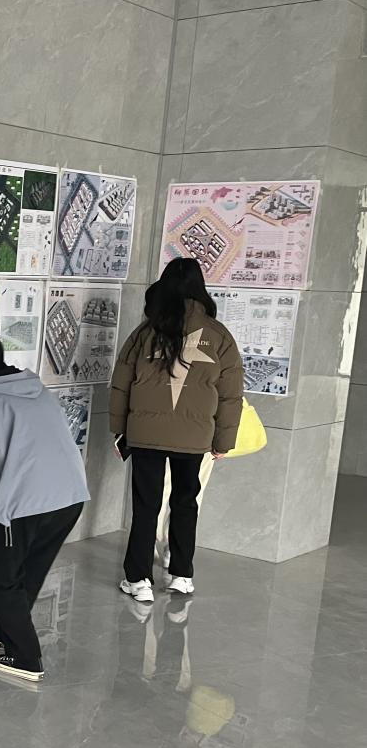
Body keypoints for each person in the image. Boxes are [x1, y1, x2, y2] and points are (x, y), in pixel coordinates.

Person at [0, 327, 90, 685]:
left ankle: (26, 657)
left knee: (0, 581)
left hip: (26, 504)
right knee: (27, 569)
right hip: (70, 495)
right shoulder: (35, 388)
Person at [110, 258, 243, 604]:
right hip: (194, 437)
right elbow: (231, 395)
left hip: (145, 434)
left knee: (146, 506)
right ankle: (181, 575)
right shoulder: (219, 336)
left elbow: (121, 384)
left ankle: (138, 580)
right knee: (186, 503)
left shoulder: (145, 333)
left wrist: (118, 431)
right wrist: (223, 442)